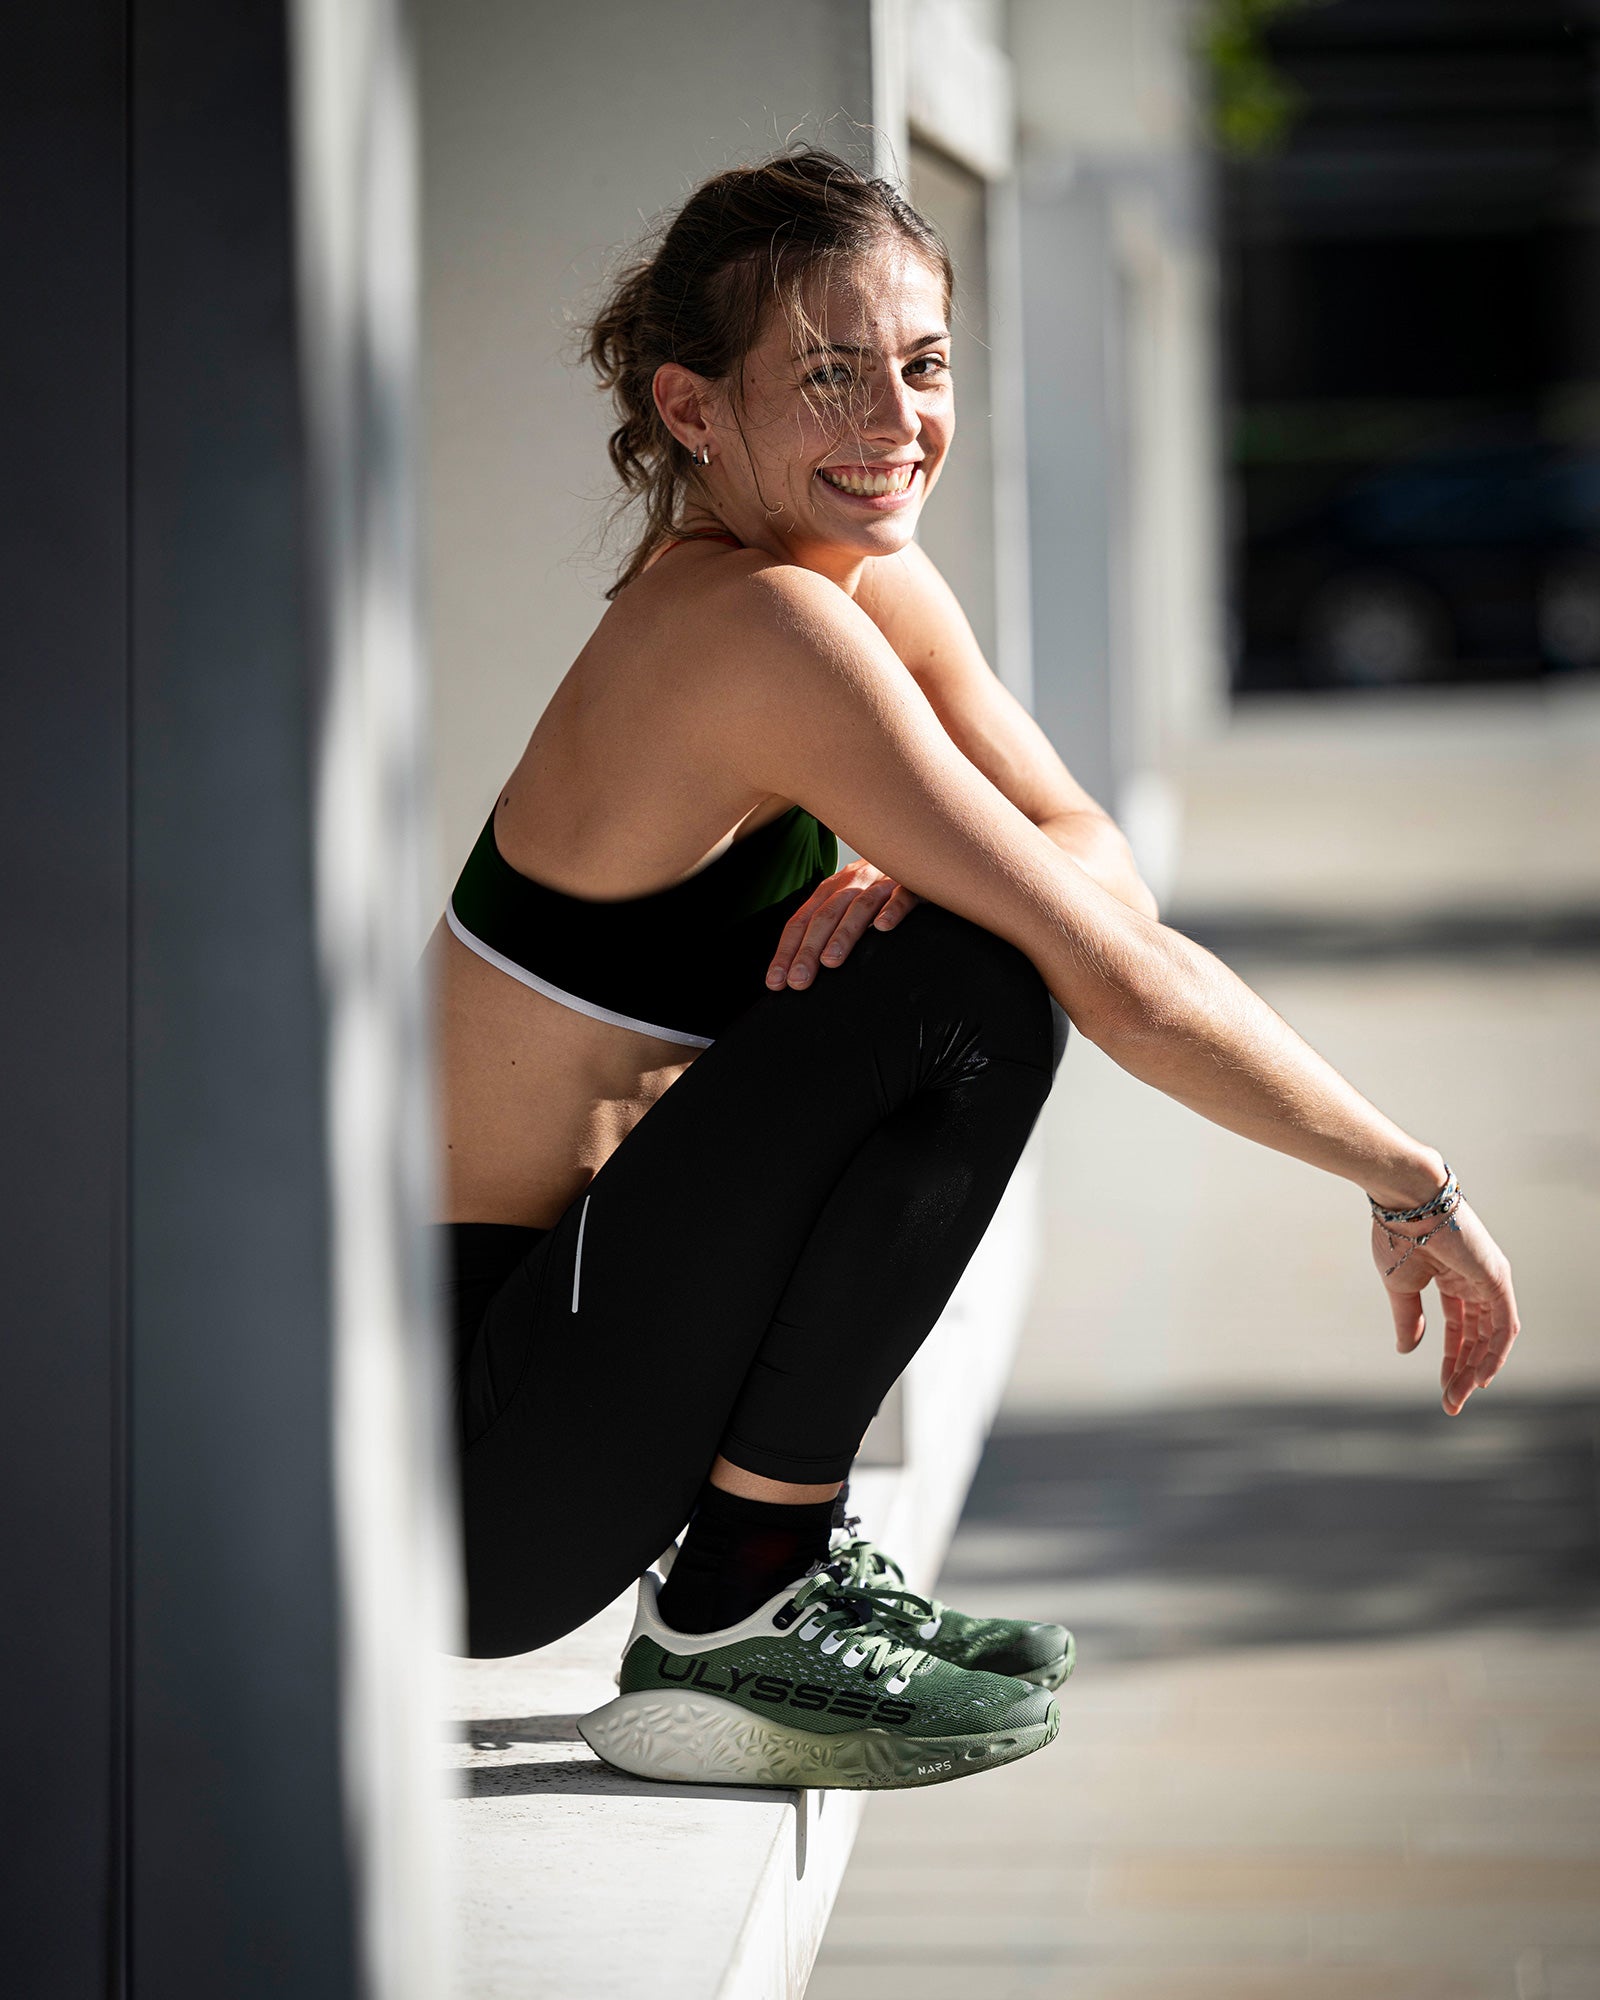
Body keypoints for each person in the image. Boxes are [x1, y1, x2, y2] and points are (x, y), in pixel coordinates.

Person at [430, 149, 1520, 1792]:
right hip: (475, 1455)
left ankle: (772, 1564)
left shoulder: (853, 584)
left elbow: (1094, 850)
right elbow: (1116, 976)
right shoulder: (754, 632)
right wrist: (1407, 1184)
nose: (894, 421)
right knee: (976, 985)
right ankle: (741, 1605)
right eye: (827, 374)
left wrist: (903, 869)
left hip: (576, 1370)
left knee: (968, 943)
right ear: (693, 408)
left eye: (922, 366)